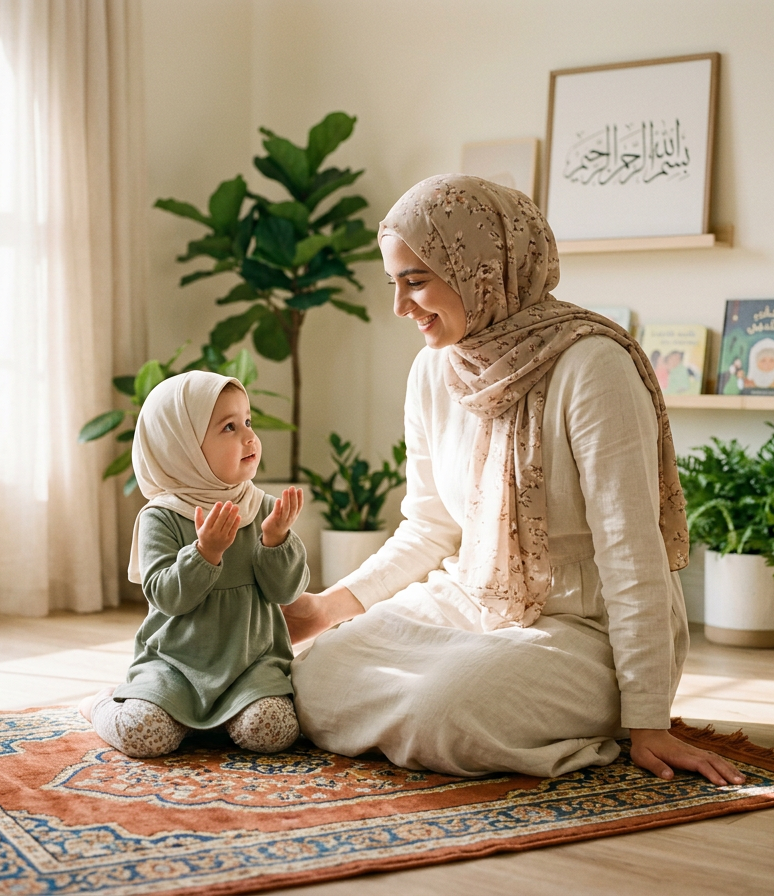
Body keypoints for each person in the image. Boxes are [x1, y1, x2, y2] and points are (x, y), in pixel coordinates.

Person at [285, 174, 744, 787]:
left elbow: (634, 553)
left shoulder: (594, 366)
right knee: (318, 675)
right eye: (393, 284)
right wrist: (325, 610)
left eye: (416, 282)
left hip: (588, 625)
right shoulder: (432, 369)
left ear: (483, 269)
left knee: (439, 710)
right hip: (471, 596)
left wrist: (648, 719)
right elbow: (428, 528)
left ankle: (567, 709)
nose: (400, 308)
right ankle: (468, 696)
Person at [80, 371, 308, 757]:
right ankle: (100, 704)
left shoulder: (263, 508)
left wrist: (275, 540)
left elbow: (286, 592)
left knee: (274, 731)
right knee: (142, 735)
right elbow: (167, 598)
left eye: (248, 422)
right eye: (229, 427)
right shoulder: (162, 517)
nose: (249, 437)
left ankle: (215, 719)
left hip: (250, 665)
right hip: (174, 666)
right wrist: (206, 552)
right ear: (180, 445)